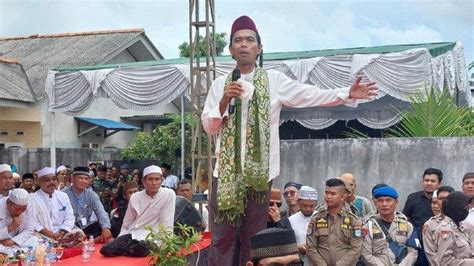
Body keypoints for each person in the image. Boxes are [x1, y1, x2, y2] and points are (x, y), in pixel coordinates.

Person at [202, 15, 376, 265]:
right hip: (226, 175)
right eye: (238, 41)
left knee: (253, 237)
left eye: (249, 40)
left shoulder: (274, 82)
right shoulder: (220, 84)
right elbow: (209, 127)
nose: (243, 44)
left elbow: (310, 95)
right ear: (230, 49)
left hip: (260, 174)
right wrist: (223, 102)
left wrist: (345, 93)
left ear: (258, 48)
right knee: (222, 238)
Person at [100, 165, 176, 257]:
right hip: (135, 232)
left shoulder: (169, 194)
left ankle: (129, 249)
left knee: (140, 248)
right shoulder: (135, 197)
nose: (154, 183)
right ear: (144, 182)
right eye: (150, 179)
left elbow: (167, 222)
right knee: (106, 249)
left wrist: (166, 245)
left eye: (157, 179)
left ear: (162, 180)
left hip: (154, 236)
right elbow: (127, 222)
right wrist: (120, 238)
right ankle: (129, 249)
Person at [306, 178, 363, 265]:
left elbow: (356, 248)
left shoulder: (353, 220)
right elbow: (310, 247)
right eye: (326, 193)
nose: (328, 197)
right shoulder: (316, 218)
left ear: (342, 197)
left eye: (333, 194)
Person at [361, 186, 419, 266]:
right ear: (375, 204)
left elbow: (413, 252)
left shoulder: (407, 226)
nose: (384, 204)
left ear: (396, 203)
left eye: (388, 200)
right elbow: (365, 254)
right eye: (380, 201)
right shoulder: (368, 226)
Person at [402, 167, 443, 266]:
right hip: (418, 240)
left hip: (440, 240)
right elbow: (405, 219)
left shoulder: (444, 198)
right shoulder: (413, 198)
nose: (429, 183)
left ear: (440, 183)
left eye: (432, 181)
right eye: (426, 180)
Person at [63, 166, 112, 242]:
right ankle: (91, 240)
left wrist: (105, 228)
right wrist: (77, 231)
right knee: (67, 232)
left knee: (108, 225)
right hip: (71, 227)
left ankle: (86, 240)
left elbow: (101, 212)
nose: (84, 181)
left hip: (86, 227)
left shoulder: (91, 194)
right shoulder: (63, 194)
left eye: (86, 179)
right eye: (81, 178)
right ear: (73, 179)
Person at [30, 167, 76, 242]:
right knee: (34, 240)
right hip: (41, 234)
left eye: (54, 179)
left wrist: (62, 232)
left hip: (61, 233)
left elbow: (69, 216)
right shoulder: (32, 198)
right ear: (39, 182)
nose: (51, 182)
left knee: (79, 233)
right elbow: (31, 221)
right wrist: (48, 233)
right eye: (47, 180)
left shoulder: (63, 196)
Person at [435, 191, 474, 264]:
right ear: (456, 206)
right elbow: (445, 261)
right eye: (465, 206)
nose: (467, 209)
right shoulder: (445, 230)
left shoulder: (459, 225)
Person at [422, 186, 455, 266]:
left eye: (446, 199)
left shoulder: (462, 222)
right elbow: (431, 254)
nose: (443, 202)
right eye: (440, 199)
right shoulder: (429, 225)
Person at [0, 188, 36, 257]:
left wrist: (13, 241)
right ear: (9, 203)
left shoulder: (29, 206)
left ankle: (15, 253)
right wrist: (10, 227)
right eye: (17, 208)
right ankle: (19, 253)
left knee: (35, 240)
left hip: (17, 242)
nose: (20, 212)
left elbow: (29, 229)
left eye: (23, 209)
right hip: (2, 244)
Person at [288, 185, 318, 265]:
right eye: (305, 205)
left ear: (316, 203)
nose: (308, 209)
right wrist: (297, 248)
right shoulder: (291, 220)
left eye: (312, 206)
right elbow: (285, 246)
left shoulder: (324, 219)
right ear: (298, 202)